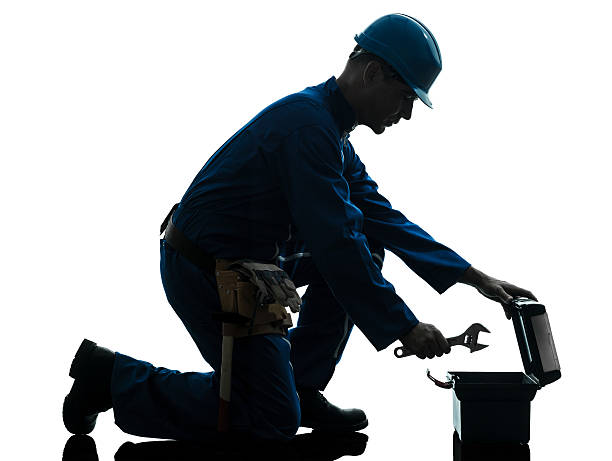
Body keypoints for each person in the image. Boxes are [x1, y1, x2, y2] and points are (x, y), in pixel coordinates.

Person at [63, 14, 536, 443]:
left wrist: (475, 278)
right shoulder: (308, 130)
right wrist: (404, 326)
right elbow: (335, 243)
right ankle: (111, 377)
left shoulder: (329, 128)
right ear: (373, 73)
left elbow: (380, 216)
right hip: (205, 271)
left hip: (246, 264)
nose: (407, 113)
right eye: (407, 96)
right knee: (269, 416)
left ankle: (302, 385)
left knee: (369, 243)